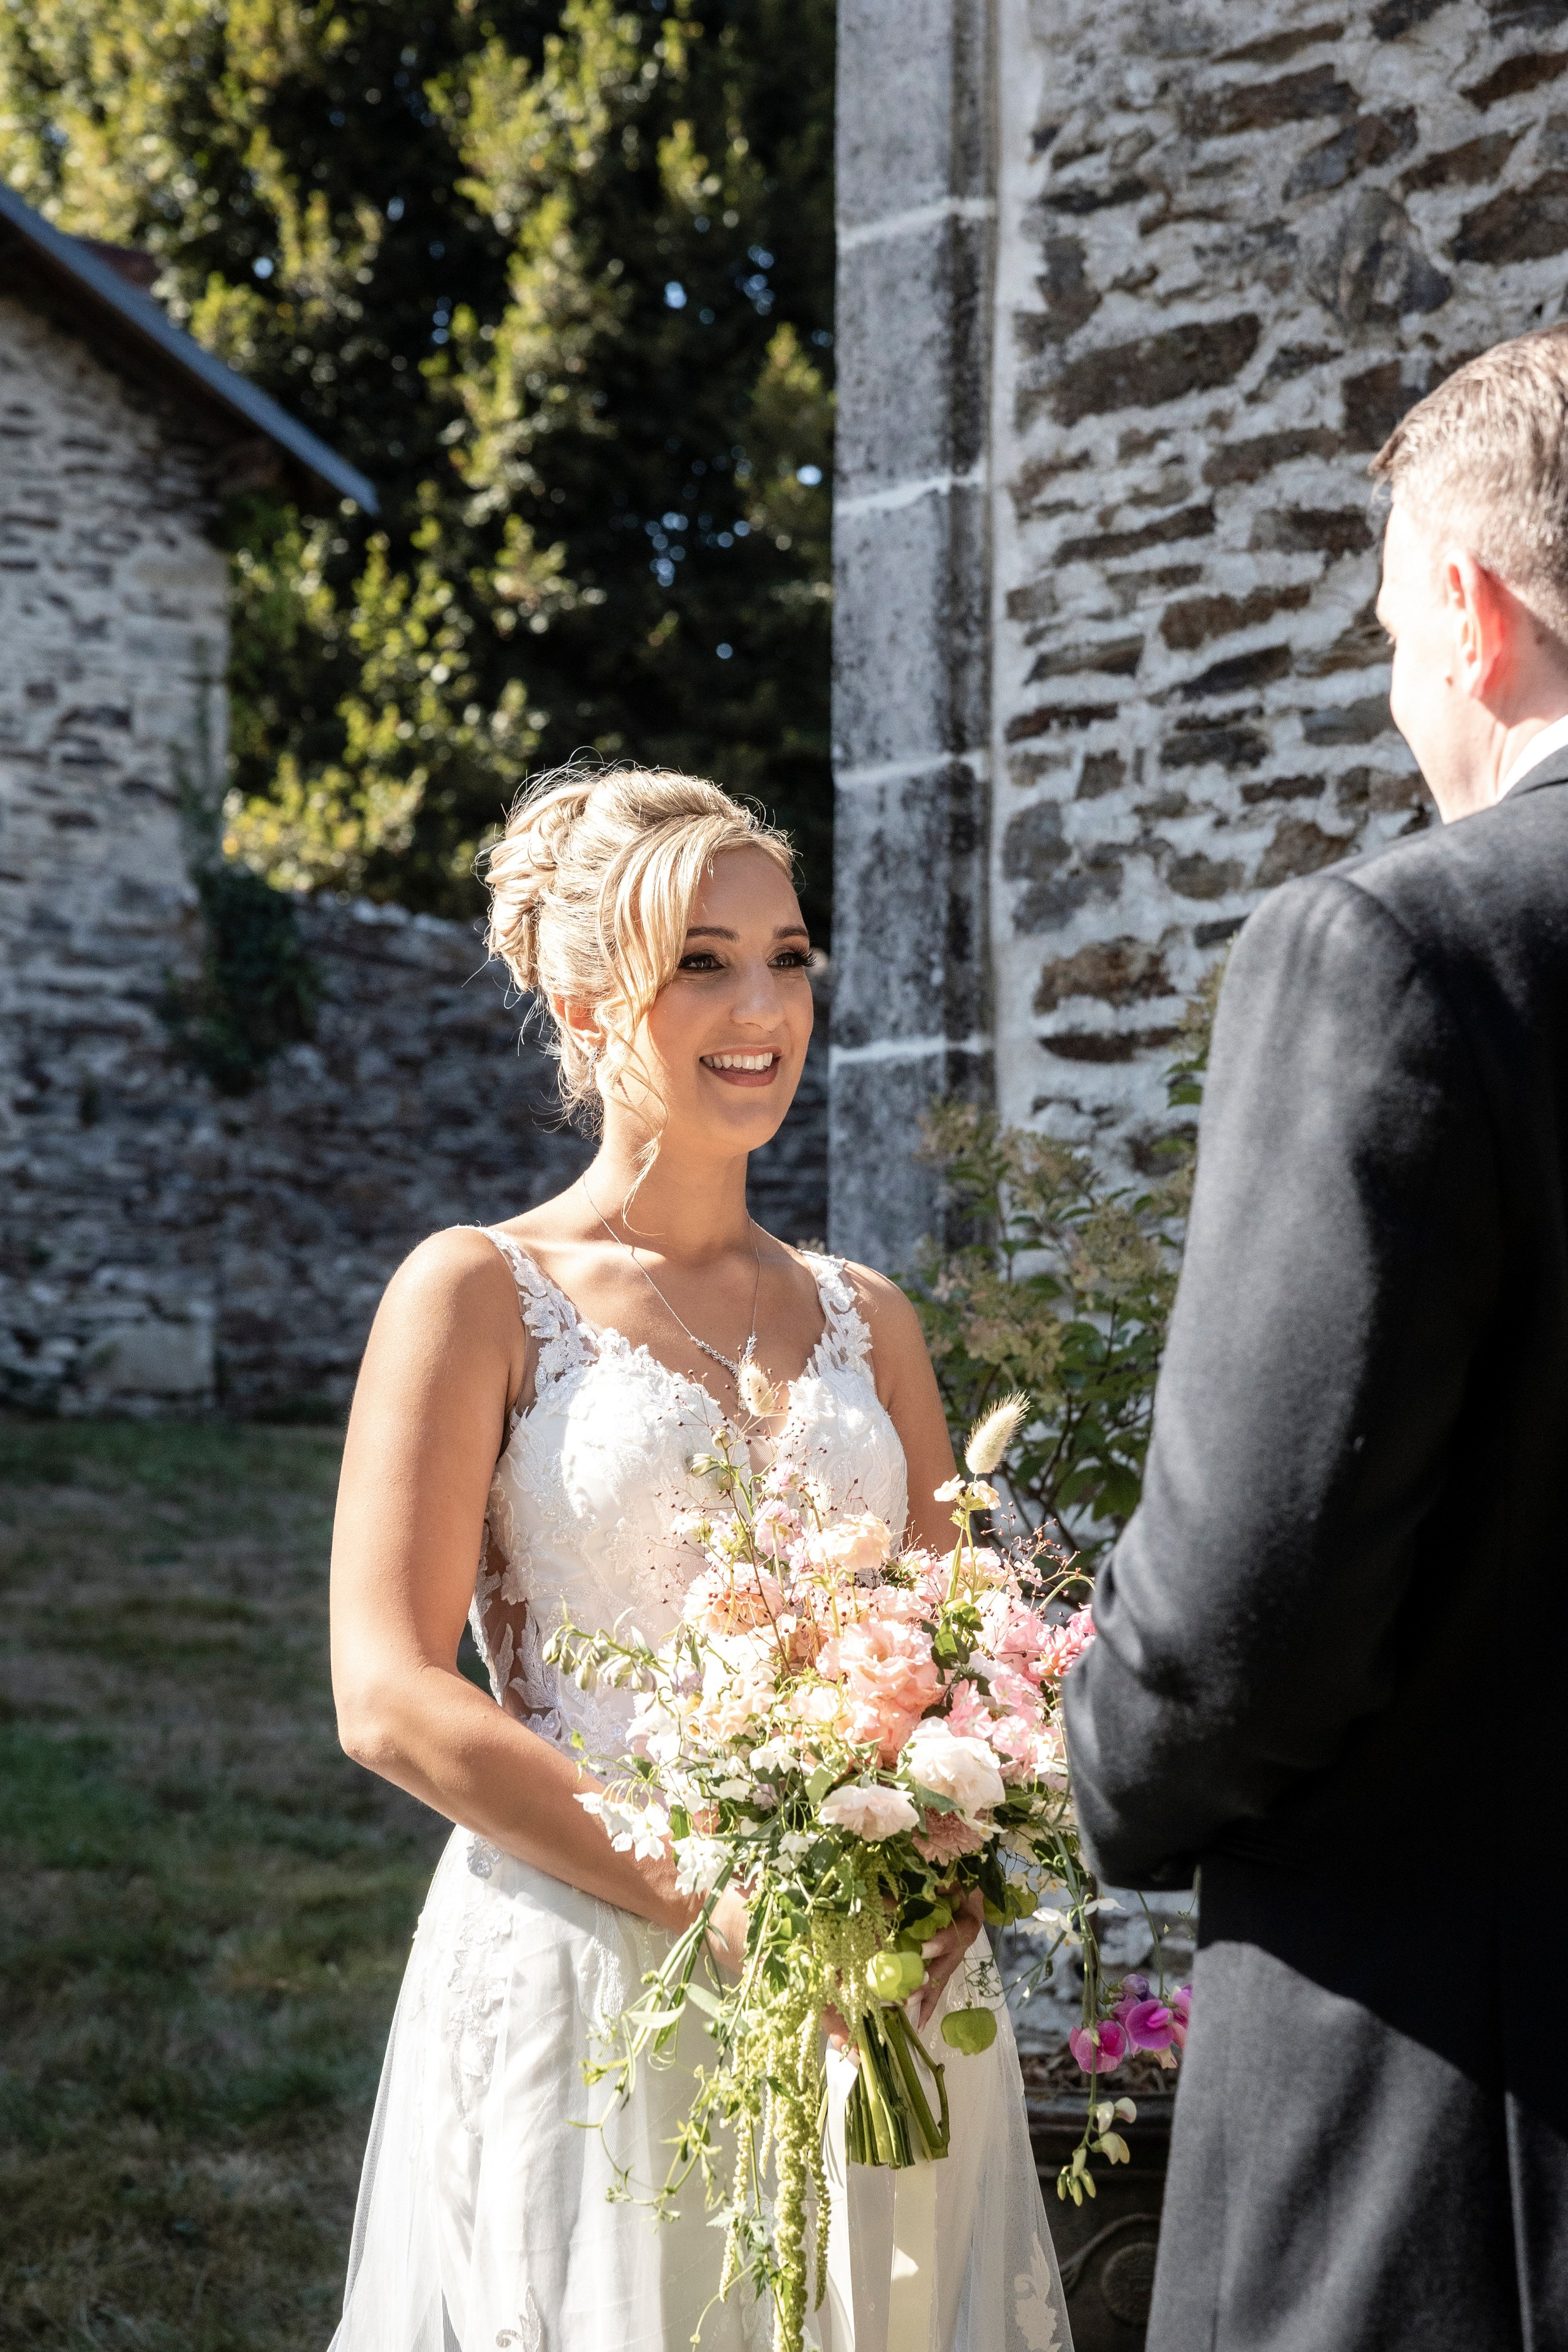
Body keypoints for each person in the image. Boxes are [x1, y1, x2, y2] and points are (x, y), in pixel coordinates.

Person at [326, 766, 1069, 2352]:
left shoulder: (872, 1319)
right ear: (586, 1003)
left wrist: (938, 1881)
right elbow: (387, 1695)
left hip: (879, 1980)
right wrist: (713, 1898)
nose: (763, 1007)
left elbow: (967, 1651)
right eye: (702, 963)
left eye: (787, 957)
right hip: (595, 1966)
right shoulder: (474, 1292)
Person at [1063, 324, 1568, 2350]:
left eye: (1386, 637)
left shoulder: (1407, 950)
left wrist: (1086, 1767)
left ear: (1470, 612)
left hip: (1463, 2134)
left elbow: (1243, 1620)